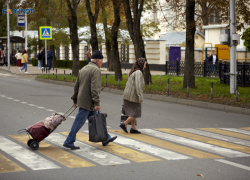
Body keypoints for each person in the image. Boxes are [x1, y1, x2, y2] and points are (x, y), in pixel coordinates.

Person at [63, 50, 117, 150]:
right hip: (88, 102)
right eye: (101, 60)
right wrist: (97, 102)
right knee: (79, 122)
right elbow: (95, 88)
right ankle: (69, 141)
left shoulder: (84, 68)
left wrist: (75, 99)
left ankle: (105, 138)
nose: (102, 62)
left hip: (84, 100)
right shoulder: (96, 70)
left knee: (97, 119)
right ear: (97, 60)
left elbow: (77, 85)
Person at [120, 57, 147, 134]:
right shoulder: (138, 72)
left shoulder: (134, 71)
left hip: (128, 95)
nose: (145, 66)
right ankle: (124, 124)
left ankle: (133, 128)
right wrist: (140, 97)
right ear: (141, 64)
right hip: (133, 96)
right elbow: (138, 85)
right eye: (144, 64)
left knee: (133, 112)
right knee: (136, 112)